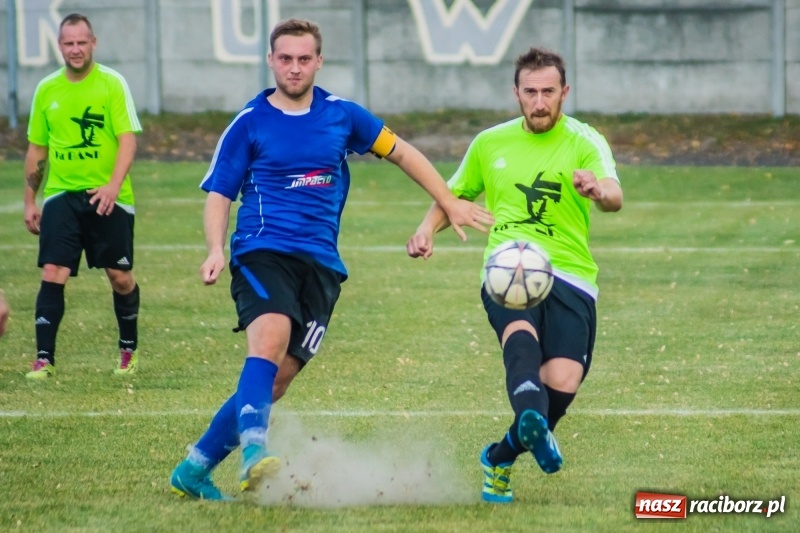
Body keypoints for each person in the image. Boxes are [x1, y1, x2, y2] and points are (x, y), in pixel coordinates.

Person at [168, 17, 493, 501]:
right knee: (270, 337)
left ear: (318, 61)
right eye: (285, 59)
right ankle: (255, 453)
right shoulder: (250, 123)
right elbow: (219, 193)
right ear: (270, 60)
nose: (294, 68)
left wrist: (447, 203)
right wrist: (216, 248)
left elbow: (403, 153)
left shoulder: (343, 116)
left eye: (304, 59)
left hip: (321, 267)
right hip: (263, 251)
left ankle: (193, 469)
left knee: (276, 381)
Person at [406, 47, 623, 504]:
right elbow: (454, 195)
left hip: (571, 275)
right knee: (519, 339)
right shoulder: (490, 143)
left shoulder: (585, 140)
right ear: (516, 93)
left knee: (561, 383)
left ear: (564, 92)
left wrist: (597, 189)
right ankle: (528, 422)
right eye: (531, 92)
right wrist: (427, 229)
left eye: (549, 92)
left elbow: (615, 196)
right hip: (508, 265)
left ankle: (500, 457)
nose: (540, 102)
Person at [23, 13, 142, 379]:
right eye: (68, 43)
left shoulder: (111, 83)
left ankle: (128, 350)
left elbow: (128, 139)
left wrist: (111, 185)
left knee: (119, 276)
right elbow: (37, 150)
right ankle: (44, 359)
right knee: (53, 270)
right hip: (61, 194)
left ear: (93, 44)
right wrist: (31, 199)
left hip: (109, 195)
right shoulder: (47, 89)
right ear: (60, 46)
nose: (75, 49)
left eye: (81, 42)